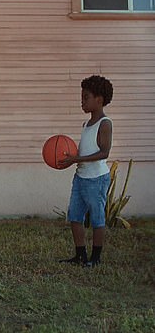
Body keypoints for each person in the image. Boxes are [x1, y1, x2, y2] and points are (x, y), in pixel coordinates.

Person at [59, 75, 114, 267]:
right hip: (81, 177)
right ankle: (80, 255)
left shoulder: (104, 123)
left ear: (99, 100)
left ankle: (95, 258)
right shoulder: (86, 125)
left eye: (86, 97)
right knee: (74, 216)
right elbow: (82, 151)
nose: (82, 101)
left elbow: (104, 152)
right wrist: (69, 161)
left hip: (96, 179)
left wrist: (77, 159)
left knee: (97, 217)